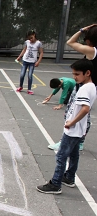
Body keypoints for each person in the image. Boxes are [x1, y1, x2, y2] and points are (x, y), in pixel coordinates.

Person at [36, 59, 96, 194]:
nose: (74, 77)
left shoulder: (85, 88)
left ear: (87, 73)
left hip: (74, 129)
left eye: (77, 74)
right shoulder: (90, 86)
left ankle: (55, 184)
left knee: (61, 156)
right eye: (73, 74)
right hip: (78, 129)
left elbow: (85, 109)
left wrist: (71, 122)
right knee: (74, 154)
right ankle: (69, 177)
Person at [15, 30, 44, 95]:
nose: (30, 40)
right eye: (29, 38)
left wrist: (38, 61)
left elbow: (41, 53)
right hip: (25, 60)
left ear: (34, 35)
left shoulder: (38, 43)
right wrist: (19, 57)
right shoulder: (27, 42)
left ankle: (29, 89)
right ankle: (20, 86)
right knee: (22, 74)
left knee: (30, 75)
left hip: (32, 62)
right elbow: (24, 50)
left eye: (31, 38)